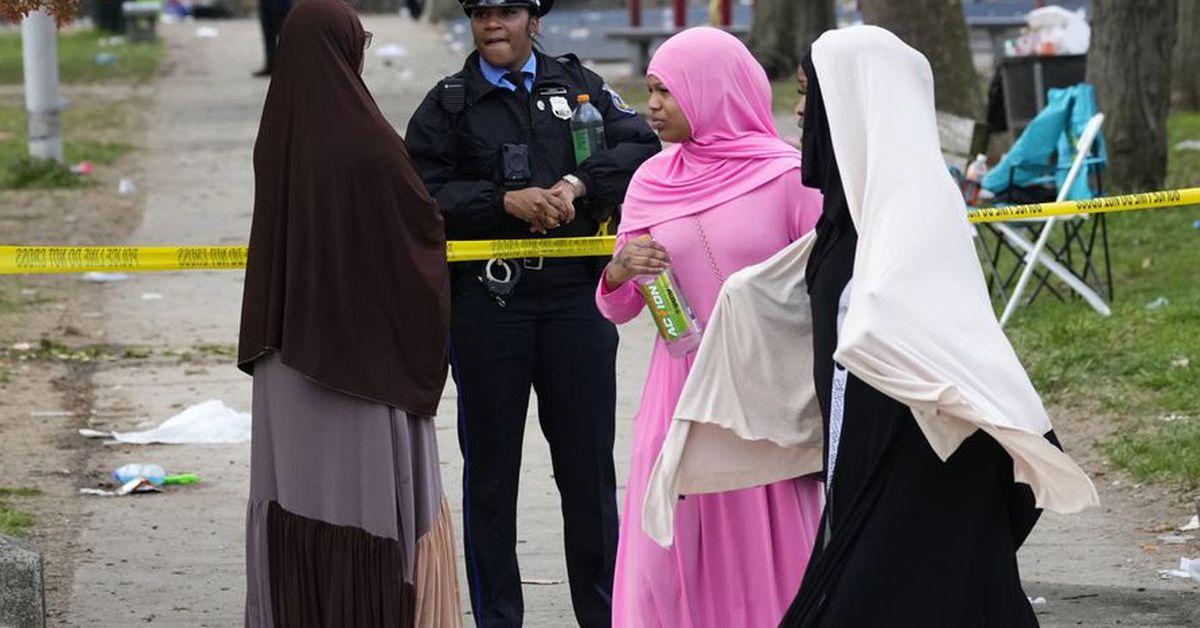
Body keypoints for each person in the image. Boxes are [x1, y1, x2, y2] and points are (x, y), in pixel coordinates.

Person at [641, 25, 1099, 627]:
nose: (800, 111)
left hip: (918, 454)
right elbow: (805, 278)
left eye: (810, 93)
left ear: (853, 102)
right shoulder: (849, 213)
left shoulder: (912, 215)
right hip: (864, 446)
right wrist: (746, 295)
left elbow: (932, 329)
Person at [404, 1, 660, 626]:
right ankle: (498, 616)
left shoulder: (580, 87)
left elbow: (641, 146)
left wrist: (575, 186)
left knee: (588, 467)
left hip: (577, 298)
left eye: (508, 12)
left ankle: (603, 613)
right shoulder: (450, 103)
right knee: (490, 472)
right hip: (491, 304)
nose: (493, 25)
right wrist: (501, 201)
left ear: (533, 20)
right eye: (482, 13)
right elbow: (416, 191)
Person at [238, 1, 460, 625]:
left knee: (296, 498)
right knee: (361, 506)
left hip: (288, 359)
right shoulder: (366, 141)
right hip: (362, 365)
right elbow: (421, 229)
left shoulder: (276, 131)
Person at [596, 28, 824, 628]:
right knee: (669, 557)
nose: (653, 106)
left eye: (667, 91)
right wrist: (618, 272)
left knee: (766, 545)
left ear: (710, 91)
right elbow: (620, 309)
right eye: (650, 90)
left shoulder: (790, 177)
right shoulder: (649, 180)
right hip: (677, 394)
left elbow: (827, 285)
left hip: (760, 395)